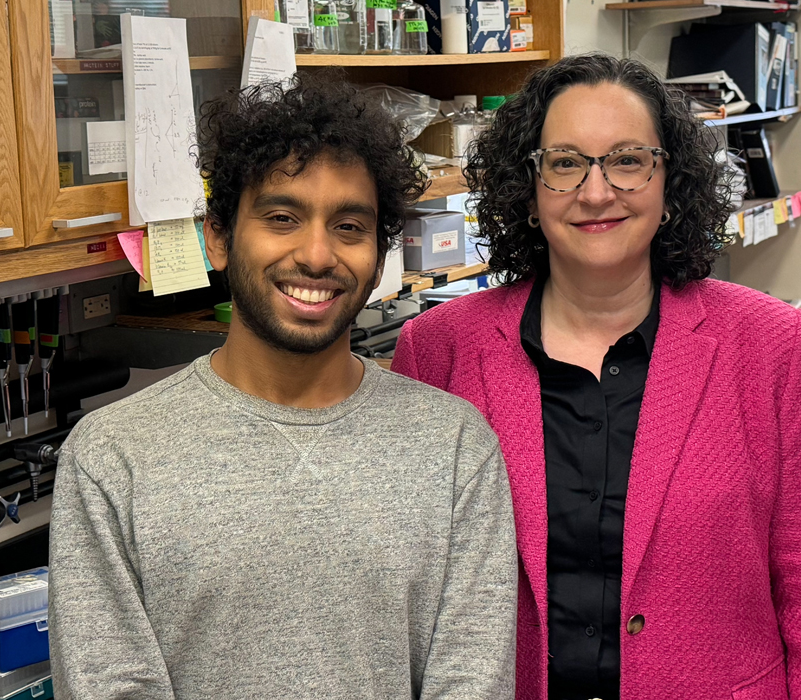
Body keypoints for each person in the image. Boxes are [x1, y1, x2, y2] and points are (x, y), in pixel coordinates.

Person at [392, 54, 801, 700]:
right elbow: (411, 597)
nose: (597, 192)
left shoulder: (770, 347)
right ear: (529, 190)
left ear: (667, 180)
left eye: (627, 160)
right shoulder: (439, 350)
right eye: (565, 164)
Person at [49, 72, 519, 699]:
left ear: (379, 256)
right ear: (218, 235)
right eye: (281, 217)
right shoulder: (113, 456)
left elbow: (471, 685)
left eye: (350, 227)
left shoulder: (455, 447)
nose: (318, 255)